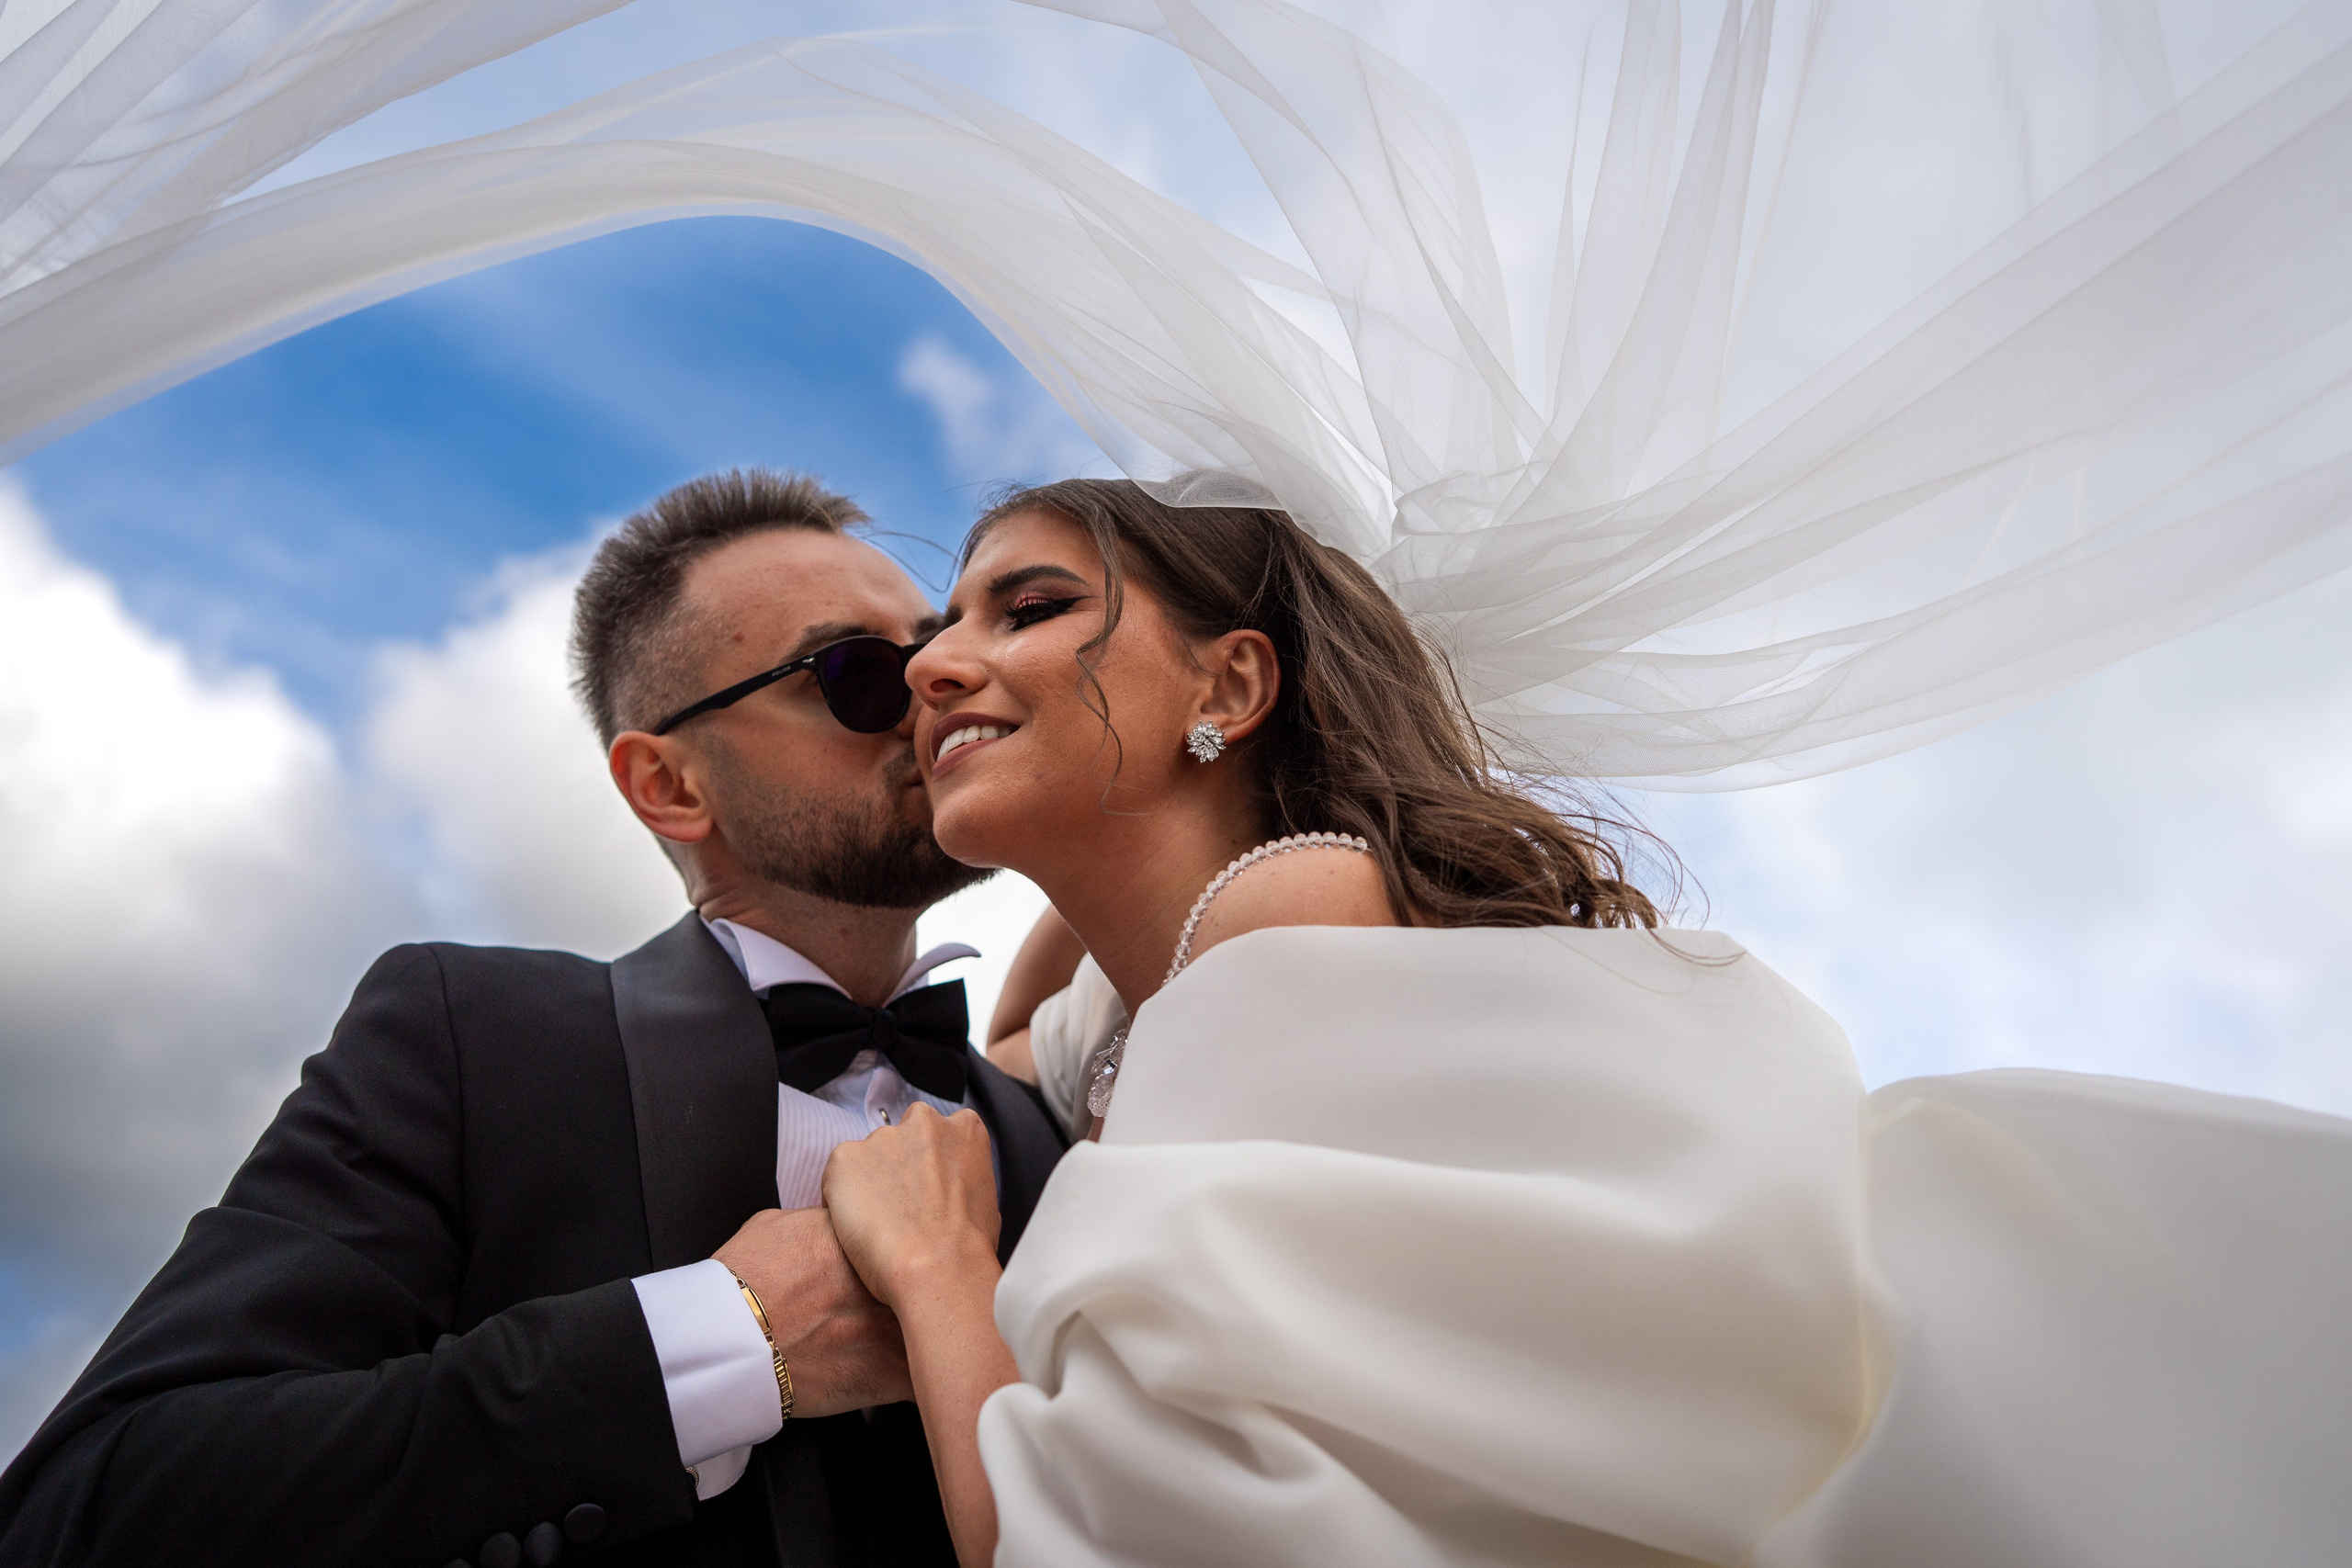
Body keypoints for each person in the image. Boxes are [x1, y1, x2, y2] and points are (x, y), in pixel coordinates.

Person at [819, 478, 2352, 1568]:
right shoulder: (1204, 974)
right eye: (935, 627)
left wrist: (942, 1269)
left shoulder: (1283, 932)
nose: (933, 665)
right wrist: (1081, 885)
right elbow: (1038, 1028)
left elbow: (1120, 1534)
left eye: (1029, 607)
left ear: (1233, 679)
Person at [0, 468, 1068, 1568]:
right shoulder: (473, 1039)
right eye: (856, 673)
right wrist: (727, 1341)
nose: (938, 685)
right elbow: (92, 1505)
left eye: (938, 647)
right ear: (668, 785)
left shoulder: (1056, 1137)